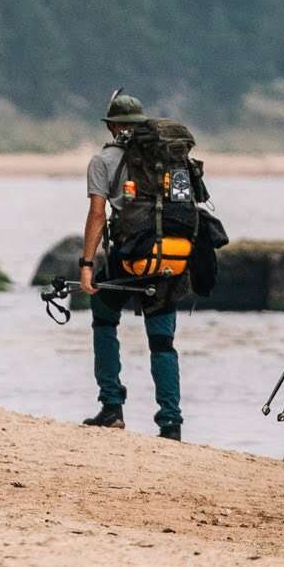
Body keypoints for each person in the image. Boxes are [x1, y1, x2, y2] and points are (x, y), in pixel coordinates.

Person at [77, 92, 183, 438]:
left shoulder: (103, 161)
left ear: (112, 126)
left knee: (104, 320)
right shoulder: (168, 158)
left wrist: (87, 264)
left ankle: (112, 407)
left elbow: (97, 213)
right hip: (169, 255)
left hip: (128, 257)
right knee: (162, 342)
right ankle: (171, 424)